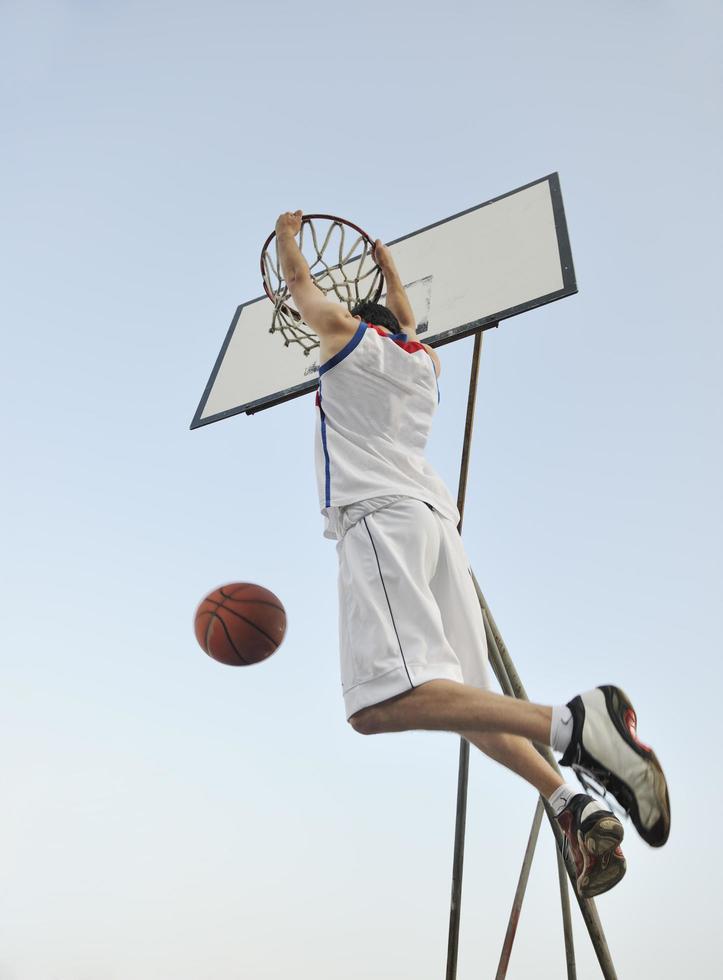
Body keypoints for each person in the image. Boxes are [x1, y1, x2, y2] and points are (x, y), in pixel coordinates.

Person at [274, 210, 670, 898]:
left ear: (354, 322)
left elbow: (304, 288)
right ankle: (568, 804)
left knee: (375, 705)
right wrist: (390, 269)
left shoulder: (347, 346)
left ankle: (574, 725)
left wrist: (285, 238)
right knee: (464, 702)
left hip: (380, 523)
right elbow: (402, 317)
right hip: (435, 527)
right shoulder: (421, 364)